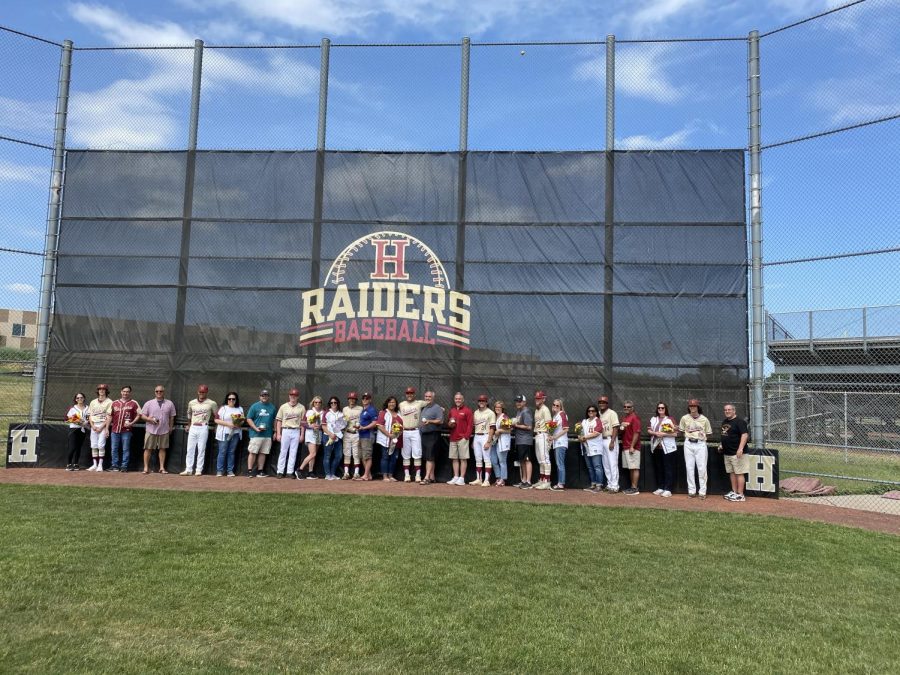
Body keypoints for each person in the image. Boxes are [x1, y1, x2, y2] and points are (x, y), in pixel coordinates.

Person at [679, 398, 712, 499]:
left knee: (702, 468)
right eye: (691, 406)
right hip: (688, 443)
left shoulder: (704, 419)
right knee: (689, 468)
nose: (692, 407)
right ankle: (692, 491)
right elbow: (681, 431)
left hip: (700, 444)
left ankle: (702, 492)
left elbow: (709, 434)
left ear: (698, 407)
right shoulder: (684, 418)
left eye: (694, 406)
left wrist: (703, 436)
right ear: (689, 407)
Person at [181, 384, 218, 476]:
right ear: (198, 392)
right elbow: (189, 414)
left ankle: (198, 469)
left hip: (203, 426)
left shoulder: (212, 403)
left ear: (206, 392)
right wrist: (189, 425)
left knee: (201, 449)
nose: (201, 393)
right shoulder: (192, 402)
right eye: (200, 392)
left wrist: (216, 427)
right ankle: (188, 469)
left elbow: (216, 416)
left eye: (203, 392)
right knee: (190, 449)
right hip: (193, 426)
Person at [140, 385, 177, 474]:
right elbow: (142, 415)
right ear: (155, 392)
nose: (159, 393)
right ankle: (146, 468)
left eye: (161, 391)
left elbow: (172, 417)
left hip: (164, 429)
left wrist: (170, 427)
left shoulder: (169, 403)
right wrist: (150, 419)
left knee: (162, 448)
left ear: (164, 392)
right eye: (157, 391)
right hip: (151, 429)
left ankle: (161, 468)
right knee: (148, 448)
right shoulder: (149, 403)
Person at [721, 403, 750, 502]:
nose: (727, 411)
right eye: (725, 410)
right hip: (727, 453)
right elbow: (725, 435)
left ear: (734, 411)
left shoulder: (740, 422)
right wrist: (721, 445)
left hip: (737, 453)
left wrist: (740, 449)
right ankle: (734, 492)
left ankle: (740, 494)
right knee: (732, 472)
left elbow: (744, 435)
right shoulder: (725, 421)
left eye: (729, 410)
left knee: (739, 473)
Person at [274, 388, 305, 479]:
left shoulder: (302, 407)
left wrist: (302, 434)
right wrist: (279, 433)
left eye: (295, 395)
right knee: (283, 451)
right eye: (291, 395)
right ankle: (280, 471)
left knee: (293, 452)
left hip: (296, 430)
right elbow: (279, 421)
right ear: (289, 396)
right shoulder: (283, 406)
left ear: (297, 397)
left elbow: (303, 423)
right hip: (286, 430)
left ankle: (290, 471)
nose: (293, 397)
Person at [648, 402, 677, 497]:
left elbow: (676, 433)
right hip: (656, 447)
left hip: (668, 448)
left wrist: (664, 434)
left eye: (662, 408)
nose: (660, 409)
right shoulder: (653, 419)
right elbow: (648, 430)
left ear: (666, 409)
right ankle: (660, 487)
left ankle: (668, 489)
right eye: (659, 408)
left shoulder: (670, 419)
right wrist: (654, 433)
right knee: (659, 468)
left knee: (668, 468)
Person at [399, 386, 427, 483]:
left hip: (415, 431)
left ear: (414, 394)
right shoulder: (401, 405)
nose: (409, 395)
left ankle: (418, 476)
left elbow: (430, 402)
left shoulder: (419, 403)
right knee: (406, 454)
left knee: (417, 453)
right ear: (406, 394)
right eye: (408, 393)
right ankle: (407, 475)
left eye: (411, 393)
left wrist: (440, 408)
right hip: (405, 431)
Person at [109, 385, 140, 472]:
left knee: (125, 449)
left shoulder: (134, 403)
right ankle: (114, 465)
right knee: (114, 449)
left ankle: (124, 466)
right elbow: (109, 416)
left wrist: (132, 423)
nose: (125, 393)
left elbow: (139, 414)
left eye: (127, 391)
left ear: (130, 393)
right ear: (121, 392)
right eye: (124, 391)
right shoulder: (114, 403)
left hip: (126, 431)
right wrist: (106, 428)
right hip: (115, 430)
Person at [245, 389, 275, 477]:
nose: (264, 397)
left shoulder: (272, 407)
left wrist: (275, 431)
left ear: (268, 397)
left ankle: (260, 471)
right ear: (260, 396)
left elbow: (275, 420)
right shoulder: (255, 406)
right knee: (253, 452)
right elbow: (249, 419)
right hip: (256, 434)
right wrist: (255, 428)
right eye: (262, 395)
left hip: (267, 434)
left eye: (266, 395)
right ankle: (249, 471)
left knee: (263, 452)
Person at [213, 391, 243, 477]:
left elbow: (242, 420)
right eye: (229, 399)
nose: (231, 400)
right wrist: (228, 424)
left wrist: (238, 423)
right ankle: (219, 471)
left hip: (236, 433)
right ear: (227, 399)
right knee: (222, 451)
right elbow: (216, 420)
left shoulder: (240, 409)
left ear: (236, 400)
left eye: (233, 399)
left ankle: (230, 471)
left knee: (231, 452)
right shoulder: (223, 408)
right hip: (224, 433)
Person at [447, 392, 473, 485]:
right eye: (456, 399)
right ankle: (456, 477)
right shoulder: (452, 410)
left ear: (463, 400)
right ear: (454, 400)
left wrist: (466, 436)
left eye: (459, 399)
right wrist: (450, 424)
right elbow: (449, 423)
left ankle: (462, 478)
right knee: (454, 458)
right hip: (453, 438)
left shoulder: (467, 411)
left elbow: (470, 425)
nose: (458, 400)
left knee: (463, 458)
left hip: (463, 438)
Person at [419, 390, 444, 484]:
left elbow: (440, 421)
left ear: (433, 398)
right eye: (426, 396)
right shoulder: (424, 407)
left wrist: (429, 421)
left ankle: (426, 478)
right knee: (429, 457)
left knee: (430, 457)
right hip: (424, 434)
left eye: (429, 397)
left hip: (433, 434)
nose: (427, 398)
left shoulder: (437, 408)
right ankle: (432, 477)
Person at [578, 405, 604, 493]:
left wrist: (584, 437)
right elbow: (579, 431)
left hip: (595, 447)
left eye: (593, 411)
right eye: (589, 411)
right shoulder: (584, 421)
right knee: (590, 467)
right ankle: (593, 484)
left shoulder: (598, 421)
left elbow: (597, 433)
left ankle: (599, 485)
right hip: (586, 447)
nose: (591, 412)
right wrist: (580, 437)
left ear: (596, 412)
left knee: (597, 467)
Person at [470, 394, 496, 487]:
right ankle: (478, 479)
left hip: (485, 436)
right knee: (478, 459)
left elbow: (492, 428)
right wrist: (473, 440)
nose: (481, 402)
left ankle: (487, 480)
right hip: (477, 436)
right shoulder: (476, 412)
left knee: (487, 459)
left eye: (483, 401)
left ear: (486, 402)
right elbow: (475, 427)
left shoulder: (490, 413)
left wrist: (489, 441)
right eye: (480, 401)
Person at [86, 383, 112, 471]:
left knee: (101, 445)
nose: (101, 390)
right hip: (94, 425)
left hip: (102, 425)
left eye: (103, 389)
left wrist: (102, 427)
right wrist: (92, 426)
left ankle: (100, 465)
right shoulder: (93, 402)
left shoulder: (109, 402)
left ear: (106, 391)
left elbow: (109, 416)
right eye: (100, 389)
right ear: (98, 391)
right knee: (94, 445)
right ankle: (94, 465)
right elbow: (90, 415)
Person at [597, 395, 620, 493]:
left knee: (612, 464)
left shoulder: (612, 413)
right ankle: (610, 484)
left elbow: (616, 427)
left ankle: (615, 486)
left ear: (607, 404)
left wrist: (612, 441)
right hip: (600, 440)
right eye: (600, 402)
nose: (602, 404)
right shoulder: (598, 414)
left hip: (610, 439)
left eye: (604, 402)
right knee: (605, 464)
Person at [376, 396, 403, 481]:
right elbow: (379, 426)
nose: (392, 404)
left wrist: (399, 432)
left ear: (396, 404)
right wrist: (389, 435)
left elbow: (402, 426)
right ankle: (385, 476)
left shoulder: (399, 414)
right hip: (386, 440)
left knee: (394, 458)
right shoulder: (383, 413)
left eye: (393, 402)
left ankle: (391, 476)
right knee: (385, 457)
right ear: (387, 403)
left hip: (396, 440)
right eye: (390, 402)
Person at [297, 396, 324, 479]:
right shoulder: (309, 412)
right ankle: (299, 469)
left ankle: (310, 472)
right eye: (316, 402)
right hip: (310, 434)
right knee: (313, 453)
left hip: (318, 433)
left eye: (319, 402)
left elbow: (324, 424)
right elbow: (302, 423)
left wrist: (320, 427)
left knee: (313, 455)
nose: (317, 404)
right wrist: (310, 426)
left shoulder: (323, 412)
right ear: (313, 403)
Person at [511, 394, 534, 489]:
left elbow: (529, 427)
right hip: (520, 440)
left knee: (527, 460)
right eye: (517, 401)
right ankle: (524, 480)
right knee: (522, 461)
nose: (518, 403)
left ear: (524, 402)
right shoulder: (519, 412)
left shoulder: (526, 411)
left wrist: (516, 425)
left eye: (520, 401)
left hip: (525, 440)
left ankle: (528, 481)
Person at [620, 400, 642, 495]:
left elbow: (636, 433)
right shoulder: (625, 418)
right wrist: (622, 427)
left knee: (635, 467)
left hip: (632, 447)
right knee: (631, 468)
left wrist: (632, 446)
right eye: (625, 407)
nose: (626, 408)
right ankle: (632, 487)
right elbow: (622, 432)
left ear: (632, 408)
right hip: (625, 446)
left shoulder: (635, 418)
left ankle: (635, 488)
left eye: (628, 407)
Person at [532, 391, 553, 490]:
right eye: (536, 398)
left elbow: (550, 424)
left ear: (543, 399)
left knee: (545, 459)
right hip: (537, 435)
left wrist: (550, 436)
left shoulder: (545, 409)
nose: (537, 400)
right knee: (540, 460)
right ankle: (542, 479)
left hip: (544, 435)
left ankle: (547, 481)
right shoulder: (537, 410)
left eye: (539, 398)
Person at [323, 396, 346, 480]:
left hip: (338, 437)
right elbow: (323, 426)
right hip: (327, 436)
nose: (333, 404)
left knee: (339, 456)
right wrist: (330, 434)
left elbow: (343, 426)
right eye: (331, 403)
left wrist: (340, 430)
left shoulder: (341, 414)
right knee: (327, 455)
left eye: (335, 402)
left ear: (337, 403)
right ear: (329, 404)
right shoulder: (326, 413)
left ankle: (332, 473)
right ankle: (327, 474)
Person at [357, 393, 378, 480]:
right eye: (363, 398)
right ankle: (368, 475)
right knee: (362, 456)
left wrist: (364, 428)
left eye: (367, 398)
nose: (365, 400)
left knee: (367, 456)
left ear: (370, 400)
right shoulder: (363, 410)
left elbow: (375, 423)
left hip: (368, 435)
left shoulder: (371, 410)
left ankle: (366, 475)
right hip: (361, 435)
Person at [489, 400, 511, 486]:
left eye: (499, 407)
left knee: (502, 461)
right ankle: (498, 477)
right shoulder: (494, 416)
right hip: (495, 442)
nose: (497, 409)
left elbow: (509, 430)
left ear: (502, 408)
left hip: (502, 441)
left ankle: (503, 479)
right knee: (493, 460)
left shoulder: (504, 417)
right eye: (496, 407)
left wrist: (500, 430)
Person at [341, 392, 363, 480]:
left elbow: (362, 421)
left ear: (356, 400)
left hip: (356, 433)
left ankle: (356, 473)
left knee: (356, 454)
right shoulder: (344, 409)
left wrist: (360, 425)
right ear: (348, 399)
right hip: (347, 433)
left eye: (353, 399)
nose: (352, 400)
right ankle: (346, 473)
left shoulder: (360, 408)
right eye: (350, 398)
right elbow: (342, 422)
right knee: (347, 453)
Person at [549, 398, 569, 491]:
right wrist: (551, 436)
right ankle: (559, 483)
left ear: (560, 407)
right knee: (558, 463)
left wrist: (555, 437)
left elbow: (566, 429)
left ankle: (561, 484)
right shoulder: (555, 416)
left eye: (557, 405)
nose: (555, 406)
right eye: (554, 404)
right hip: (556, 442)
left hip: (561, 442)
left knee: (560, 463)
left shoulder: (562, 414)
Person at [65, 392, 88, 471]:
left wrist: (86, 422)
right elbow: (67, 419)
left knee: (79, 447)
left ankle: (76, 463)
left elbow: (89, 418)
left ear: (84, 398)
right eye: (78, 398)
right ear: (75, 399)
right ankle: (68, 464)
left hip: (83, 429)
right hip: (74, 429)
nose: (79, 399)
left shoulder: (88, 408)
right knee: (72, 447)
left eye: (81, 397)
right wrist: (77, 421)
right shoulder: (73, 408)